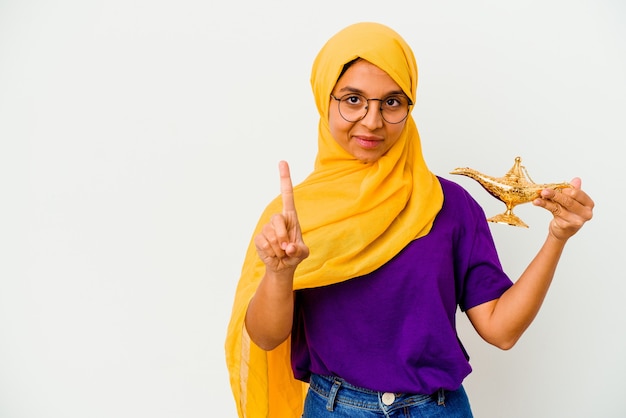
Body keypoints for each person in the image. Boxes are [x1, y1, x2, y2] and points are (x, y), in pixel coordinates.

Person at [225, 22, 594, 418]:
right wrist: (280, 274)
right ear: (324, 99)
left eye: (391, 102)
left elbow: (501, 331)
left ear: (409, 107)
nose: (371, 120)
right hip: (334, 410)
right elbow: (264, 338)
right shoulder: (293, 219)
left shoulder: (449, 205)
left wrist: (557, 236)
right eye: (353, 100)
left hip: (436, 410)